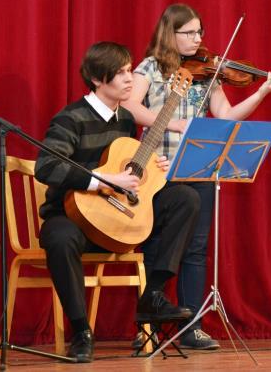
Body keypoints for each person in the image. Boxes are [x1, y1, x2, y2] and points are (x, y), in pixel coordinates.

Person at [122, 3, 271, 350]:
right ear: (171, 33)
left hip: (197, 164)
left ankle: (191, 325)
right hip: (158, 168)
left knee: (196, 248)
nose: (198, 39)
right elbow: (130, 106)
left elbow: (225, 116)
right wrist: (174, 122)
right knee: (157, 243)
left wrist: (260, 92)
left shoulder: (208, 72)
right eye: (190, 33)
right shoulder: (149, 67)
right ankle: (146, 326)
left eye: (200, 32)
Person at [35, 41, 200, 362]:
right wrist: (102, 180)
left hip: (118, 220)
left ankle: (152, 294)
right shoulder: (71, 118)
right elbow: (47, 167)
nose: (130, 78)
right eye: (122, 73)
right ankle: (81, 332)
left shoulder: (125, 119)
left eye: (129, 71)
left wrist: (154, 167)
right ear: (98, 79)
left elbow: (127, 165)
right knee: (57, 236)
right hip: (75, 219)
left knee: (185, 198)